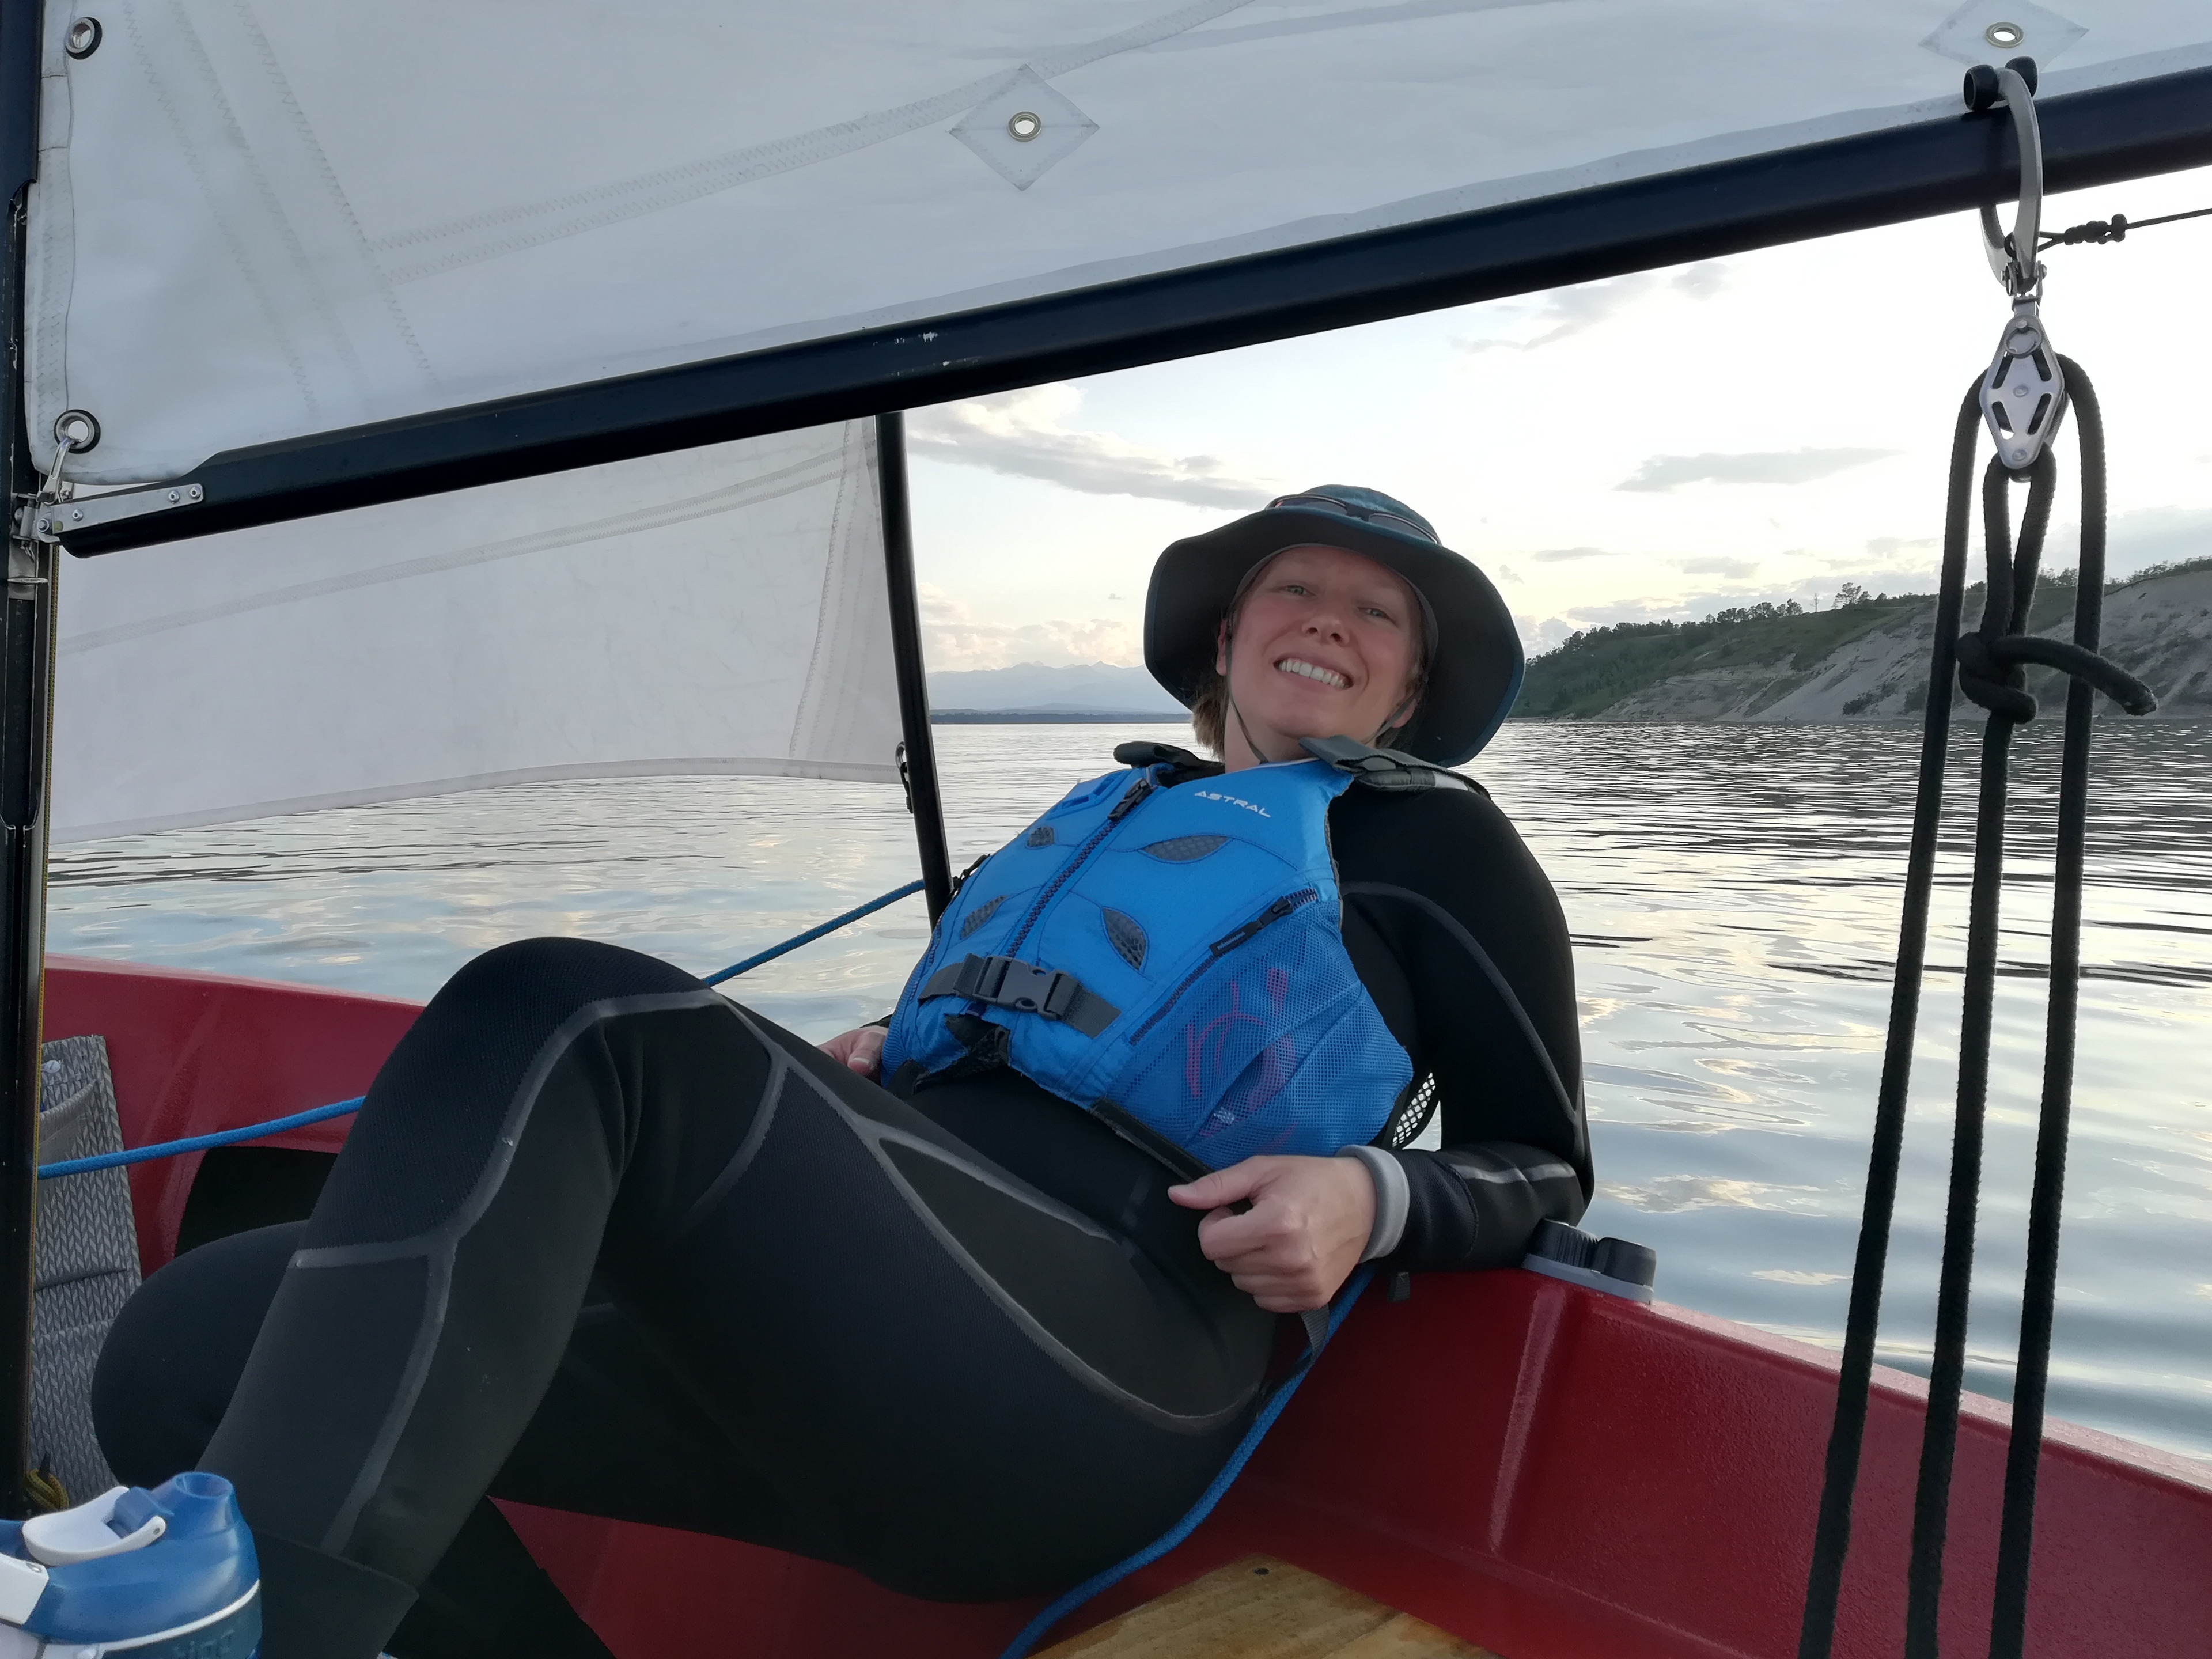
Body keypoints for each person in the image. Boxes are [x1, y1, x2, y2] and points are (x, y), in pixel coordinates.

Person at [88, 486, 1589, 1658]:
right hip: (862, 1351)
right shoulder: (1100, 820)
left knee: (569, 1016)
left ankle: (258, 1635)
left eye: (1376, 612)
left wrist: (1371, 1196)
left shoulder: (1442, 848)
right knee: (182, 1349)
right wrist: (867, 1083)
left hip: (1095, 1378)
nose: (1329, 622)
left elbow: (1543, 1164)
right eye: (1296, 588)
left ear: (1409, 688)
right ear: (1227, 635)